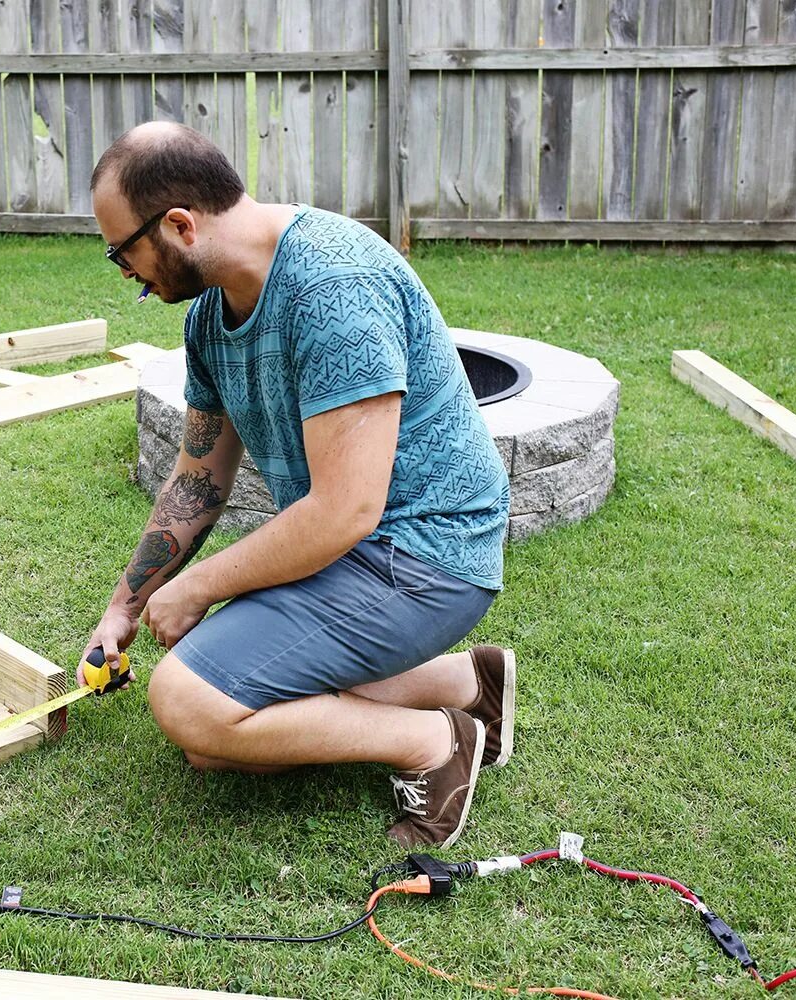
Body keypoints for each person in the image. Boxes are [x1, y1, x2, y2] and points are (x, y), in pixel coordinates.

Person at [82, 121, 514, 848]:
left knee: (186, 698)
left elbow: (347, 509)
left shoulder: (334, 288)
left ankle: (433, 744)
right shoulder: (210, 319)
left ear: (180, 225)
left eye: (121, 250)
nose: (122, 270)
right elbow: (197, 478)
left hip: (426, 557)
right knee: (210, 742)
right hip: (357, 555)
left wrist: (195, 588)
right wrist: (125, 607)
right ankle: (466, 685)